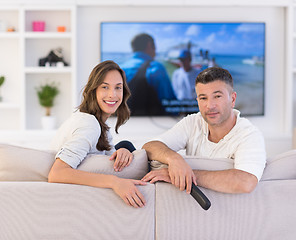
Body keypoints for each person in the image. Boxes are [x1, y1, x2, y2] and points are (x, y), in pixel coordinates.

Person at [141, 67, 266, 194]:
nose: (210, 106)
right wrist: (174, 159)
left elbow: (246, 182)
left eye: (217, 96)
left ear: (232, 99)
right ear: (197, 101)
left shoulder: (249, 135)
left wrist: (185, 175)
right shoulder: (192, 122)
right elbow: (149, 147)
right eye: (203, 98)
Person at [48, 60, 146, 208]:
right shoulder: (89, 125)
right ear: (93, 90)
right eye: (105, 87)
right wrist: (115, 182)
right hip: (68, 203)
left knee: (125, 145)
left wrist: (123, 151)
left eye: (118, 88)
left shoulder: (97, 125)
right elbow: (57, 173)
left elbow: (108, 159)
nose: (112, 95)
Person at [120, 33, 176, 116]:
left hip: (124, 122)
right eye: (155, 47)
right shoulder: (155, 68)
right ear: (150, 45)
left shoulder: (119, 69)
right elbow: (169, 104)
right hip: (152, 122)